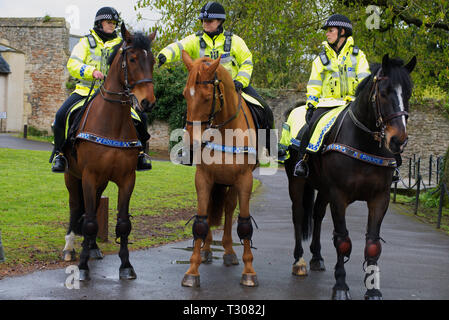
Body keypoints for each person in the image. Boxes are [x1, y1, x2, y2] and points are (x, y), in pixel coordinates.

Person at [157, 1, 274, 164]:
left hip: (234, 86)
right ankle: (188, 150)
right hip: (206, 88)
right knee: (191, 111)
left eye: (209, 21)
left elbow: (247, 61)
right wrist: (164, 55)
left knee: (263, 108)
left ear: (220, 22)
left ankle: (270, 147)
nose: (206, 24)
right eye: (204, 21)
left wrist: (240, 81)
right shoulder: (195, 39)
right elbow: (179, 47)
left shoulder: (235, 41)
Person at [51, 6, 152, 172]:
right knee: (61, 115)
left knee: (141, 118)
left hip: (116, 95)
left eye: (114, 23)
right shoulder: (85, 42)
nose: (112, 25)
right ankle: (60, 154)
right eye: (109, 22)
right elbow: (72, 64)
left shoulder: (122, 45)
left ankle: (140, 154)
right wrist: (91, 71)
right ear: (99, 23)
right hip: (85, 92)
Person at [293, 14, 377, 178]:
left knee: (378, 126)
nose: (327, 34)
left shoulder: (358, 56)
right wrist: (311, 104)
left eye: (330, 30)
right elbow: (314, 84)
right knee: (310, 128)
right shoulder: (320, 59)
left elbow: (365, 82)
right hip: (327, 104)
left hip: (352, 104)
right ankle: (303, 161)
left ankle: (392, 163)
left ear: (342, 32)